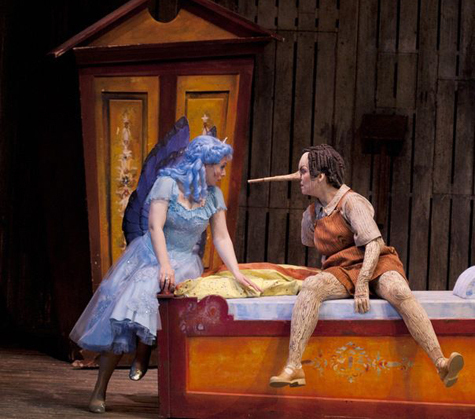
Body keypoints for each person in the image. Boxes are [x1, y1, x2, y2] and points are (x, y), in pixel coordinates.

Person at [70, 135, 261, 413]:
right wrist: (164, 264)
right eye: (219, 166)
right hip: (153, 254)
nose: (222, 172)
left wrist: (236, 271)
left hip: (186, 262)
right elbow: (155, 227)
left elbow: (221, 237)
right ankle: (100, 390)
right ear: (203, 164)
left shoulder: (213, 195)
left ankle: (145, 355)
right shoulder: (167, 183)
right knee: (127, 310)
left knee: (176, 313)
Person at [267, 144, 464, 389]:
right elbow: (308, 241)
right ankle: (294, 366)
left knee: (399, 291)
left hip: (375, 260)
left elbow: (374, 243)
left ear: (321, 176)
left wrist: (362, 282)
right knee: (311, 287)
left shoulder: (351, 202)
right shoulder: (312, 214)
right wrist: (310, 220)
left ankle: (441, 363)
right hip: (341, 268)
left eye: (303, 171)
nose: (298, 177)